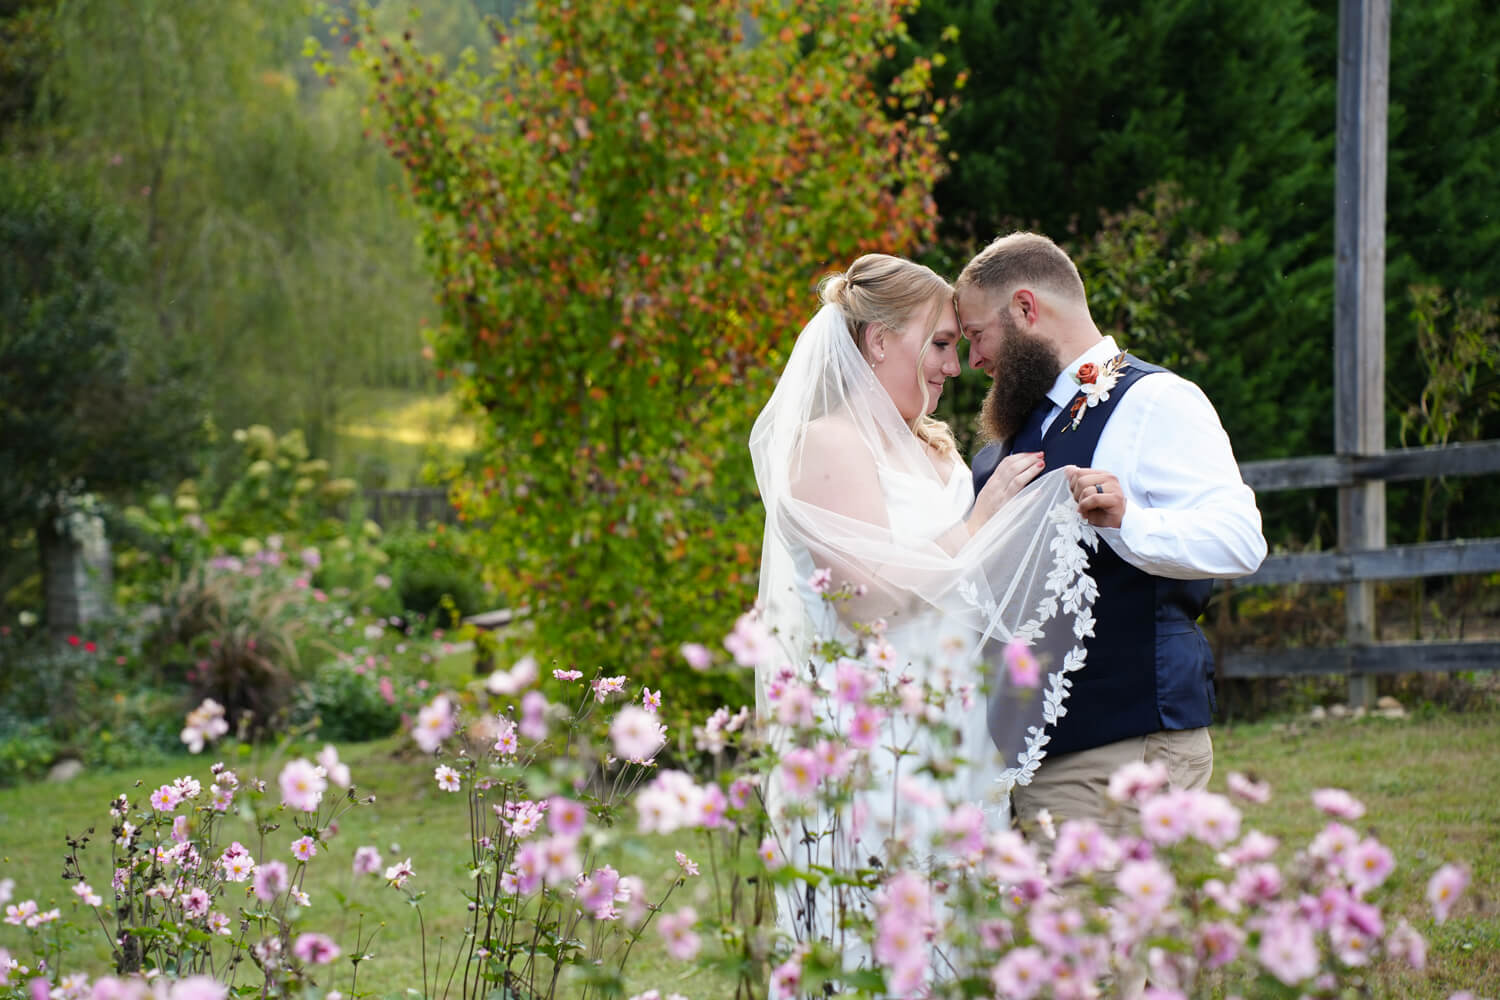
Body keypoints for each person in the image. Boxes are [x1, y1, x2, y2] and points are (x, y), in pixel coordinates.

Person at [748, 253, 1102, 973]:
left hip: (952, 726)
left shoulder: (932, 447)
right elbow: (865, 598)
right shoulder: (830, 443)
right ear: (880, 342)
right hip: (875, 742)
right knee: (885, 942)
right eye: (938, 343)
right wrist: (986, 519)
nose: (954, 364)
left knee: (965, 939)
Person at [954, 231, 1267, 837]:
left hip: (1125, 748)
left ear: (1025, 309)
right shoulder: (1021, 429)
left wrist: (1131, 522)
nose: (974, 361)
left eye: (975, 335)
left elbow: (1240, 539)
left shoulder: (1156, 401)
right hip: (1028, 765)